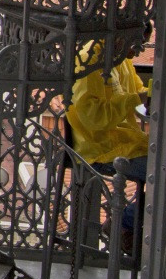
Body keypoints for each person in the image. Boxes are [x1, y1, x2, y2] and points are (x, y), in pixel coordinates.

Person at [66, 24, 153, 250]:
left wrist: (147, 101)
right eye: (136, 44)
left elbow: (137, 93)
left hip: (125, 143)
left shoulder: (121, 59)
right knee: (164, 176)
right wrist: (137, 99)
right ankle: (123, 223)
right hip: (98, 150)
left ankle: (125, 224)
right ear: (121, 36)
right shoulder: (89, 60)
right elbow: (93, 117)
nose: (139, 51)